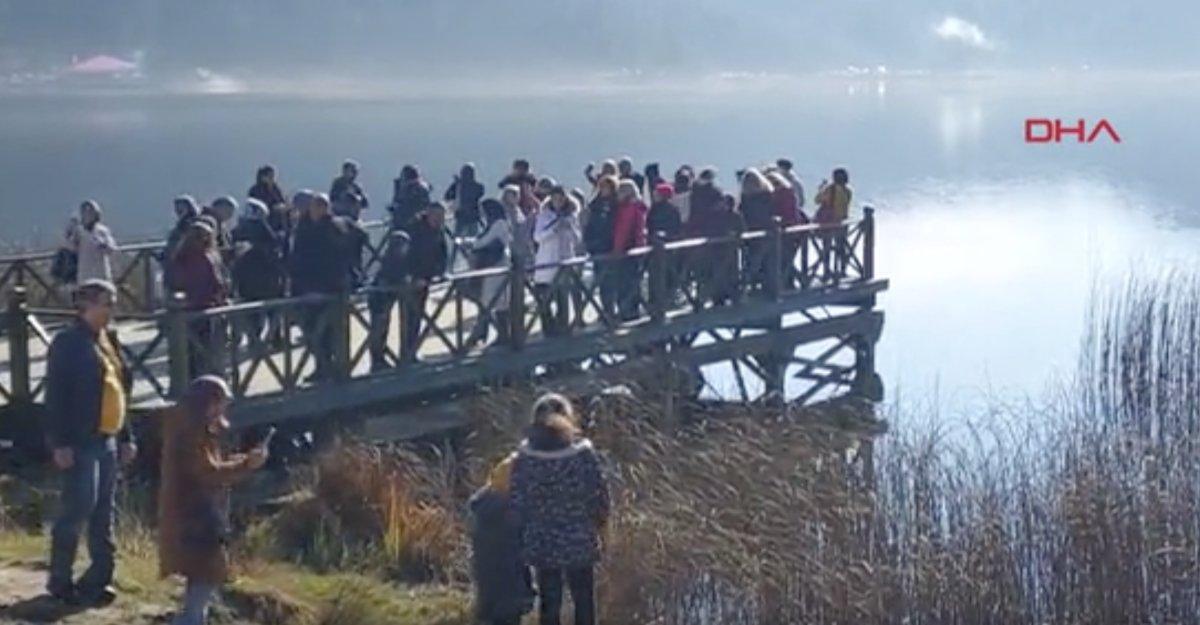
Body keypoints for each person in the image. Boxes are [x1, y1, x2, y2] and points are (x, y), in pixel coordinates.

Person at [44, 279, 136, 606]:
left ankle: (99, 578)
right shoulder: (68, 343)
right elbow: (55, 396)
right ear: (86, 306)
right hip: (80, 441)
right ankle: (60, 579)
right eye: (105, 303)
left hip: (108, 437)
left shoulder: (108, 339)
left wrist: (127, 436)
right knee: (78, 507)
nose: (111, 310)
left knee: (104, 513)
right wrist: (59, 443)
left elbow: (120, 390)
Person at [158, 375, 268, 625]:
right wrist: (247, 464)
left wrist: (243, 460)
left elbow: (213, 467)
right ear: (207, 404)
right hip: (196, 520)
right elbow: (210, 474)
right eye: (220, 403)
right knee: (203, 578)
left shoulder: (195, 430)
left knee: (200, 583)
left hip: (197, 517)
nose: (223, 409)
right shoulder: (191, 435)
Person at [510, 394, 610, 625]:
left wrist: (521, 537)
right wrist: (601, 526)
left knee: (549, 603)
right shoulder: (583, 454)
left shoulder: (524, 457)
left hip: (542, 541)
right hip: (579, 539)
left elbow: (517, 503)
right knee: (584, 600)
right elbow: (599, 495)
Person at [289, 192, 351, 382]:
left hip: (328, 288)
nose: (318, 211)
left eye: (322, 207)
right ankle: (321, 366)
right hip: (305, 287)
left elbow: (338, 259)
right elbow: (296, 256)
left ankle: (334, 368)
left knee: (330, 331)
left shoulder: (334, 228)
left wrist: (332, 284)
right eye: (316, 207)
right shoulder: (302, 227)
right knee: (309, 330)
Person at [469, 453, 534, 625]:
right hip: (508, 599)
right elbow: (517, 561)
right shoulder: (510, 518)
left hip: (488, 599)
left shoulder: (483, 511)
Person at [169, 222, 229, 378]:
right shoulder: (203, 256)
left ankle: (198, 377)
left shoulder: (182, 256)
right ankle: (208, 376)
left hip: (196, 305)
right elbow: (215, 280)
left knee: (198, 346)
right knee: (205, 345)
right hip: (203, 305)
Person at [399, 202, 450, 362]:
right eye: (436, 216)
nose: (439, 220)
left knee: (418, 316)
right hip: (411, 279)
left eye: (442, 217)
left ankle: (411, 351)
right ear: (428, 213)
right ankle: (405, 353)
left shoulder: (438, 231)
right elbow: (404, 255)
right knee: (409, 317)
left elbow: (442, 253)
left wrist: (440, 272)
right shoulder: (414, 229)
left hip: (426, 279)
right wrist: (411, 276)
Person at [230, 199, 285, 342]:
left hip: (249, 281)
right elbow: (275, 253)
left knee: (254, 315)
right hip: (266, 281)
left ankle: (257, 341)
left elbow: (234, 257)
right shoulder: (267, 232)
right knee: (270, 313)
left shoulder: (238, 231)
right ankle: (272, 340)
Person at [533, 187, 581, 338]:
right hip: (546, 262)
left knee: (562, 298)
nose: (558, 202)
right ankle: (548, 328)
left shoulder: (571, 216)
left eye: (561, 199)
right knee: (544, 298)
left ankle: (563, 328)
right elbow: (537, 237)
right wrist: (554, 229)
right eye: (555, 199)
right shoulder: (544, 216)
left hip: (564, 262)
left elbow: (577, 239)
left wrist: (570, 228)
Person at [466, 199, 513, 347]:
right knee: (488, 301)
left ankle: (501, 335)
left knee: (496, 301)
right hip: (491, 267)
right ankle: (484, 333)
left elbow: (485, 241)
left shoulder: (499, 224)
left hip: (498, 267)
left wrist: (471, 244)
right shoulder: (495, 223)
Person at [367, 231, 412, 371]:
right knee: (378, 329)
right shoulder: (392, 261)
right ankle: (377, 360)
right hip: (379, 299)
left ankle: (381, 359)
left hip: (386, 297)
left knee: (381, 329)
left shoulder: (400, 260)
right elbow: (393, 277)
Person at [583, 176, 618, 319]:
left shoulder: (616, 204)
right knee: (600, 281)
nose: (603, 190)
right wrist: (588, 242)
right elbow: (589, 224)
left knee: (611, 281)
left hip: (610, 247)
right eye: (601, 187)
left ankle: (611, 310)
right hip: (596, 246)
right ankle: (605, 309)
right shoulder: (595, 204)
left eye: (606, 187)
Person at [612, 179, 648, 321]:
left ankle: (626, 312)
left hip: (627, 251)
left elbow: (623, 231)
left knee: (626, 282)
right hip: (633, 249)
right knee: (631, 282)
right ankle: (631, 311)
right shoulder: (638, 207)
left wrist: (617, 249)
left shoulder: (629, 208)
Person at [67, 200, 118, 284]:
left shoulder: (103, 230)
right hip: (84, 274)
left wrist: (102, 244)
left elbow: (112, 249)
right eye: (84, 213)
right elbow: (71, 249)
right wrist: (70, 235)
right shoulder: (78, 232)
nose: (87, 215)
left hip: (101, 273)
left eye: (90, 213)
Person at [445, 163, 485, 237]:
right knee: (471, 238)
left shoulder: (460, 185)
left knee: (460, 238)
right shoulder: (478, 186)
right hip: (468, 216)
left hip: (465, 216)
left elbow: (448, 197)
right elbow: (447, 196)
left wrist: (458, 184)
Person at [388, 164, 432, 230]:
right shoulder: (401, 189)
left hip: (420, 223)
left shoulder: (422, 189)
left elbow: (427, 206)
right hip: (402, 223)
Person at [501, 185, 533, 268]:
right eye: (513, 194)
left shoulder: (517, 209)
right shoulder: (503, 210)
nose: (516, 197)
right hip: (511, 244)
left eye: (517, 194)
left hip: (521, 243)